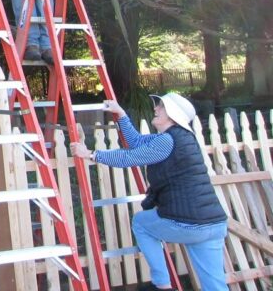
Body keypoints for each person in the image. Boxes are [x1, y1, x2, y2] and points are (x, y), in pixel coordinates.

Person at [70, 93, 228, 291]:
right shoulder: (180, 138)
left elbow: (130, 157)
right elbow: (136, 142)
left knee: (141, 223)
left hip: (189, 223)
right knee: (215, 286)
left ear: (172, 115)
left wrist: (91, 154)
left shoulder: (167, 141)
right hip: (215, 223)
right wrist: (120, 114)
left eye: (160, 107)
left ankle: (162, 285)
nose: (156, 109)